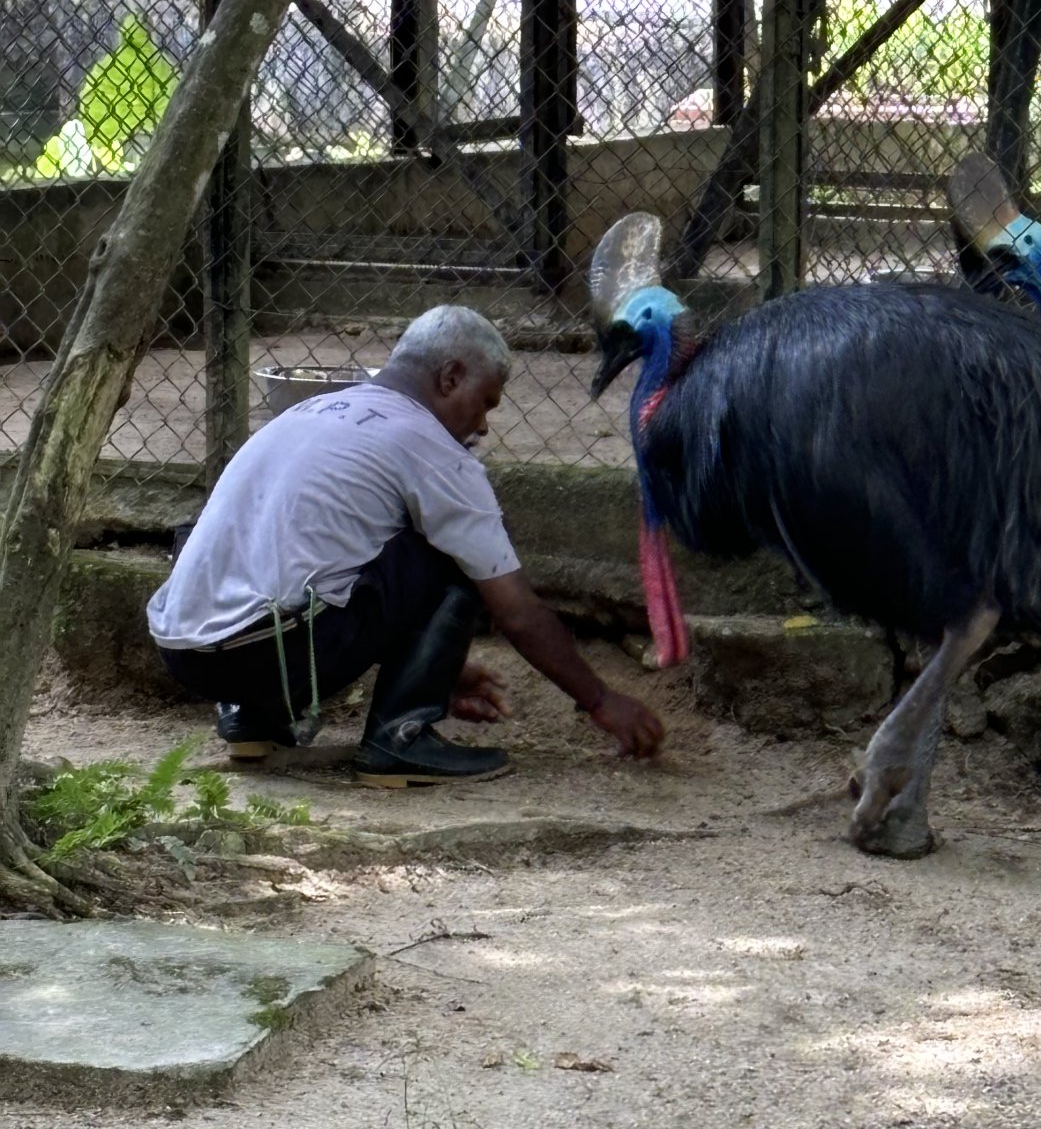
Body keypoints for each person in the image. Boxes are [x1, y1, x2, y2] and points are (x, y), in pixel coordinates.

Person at [147, 305, 664, 786]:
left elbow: (322, 570)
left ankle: (253, 719)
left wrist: (435, 668)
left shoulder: (305, 414)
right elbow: (517, 612)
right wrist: (600, 700)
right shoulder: (432, 449)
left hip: (186, 656)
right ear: (450, 377)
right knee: (464, 555)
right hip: (270, 655)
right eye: (485, 402)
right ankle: (400, 737)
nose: (483, 425)